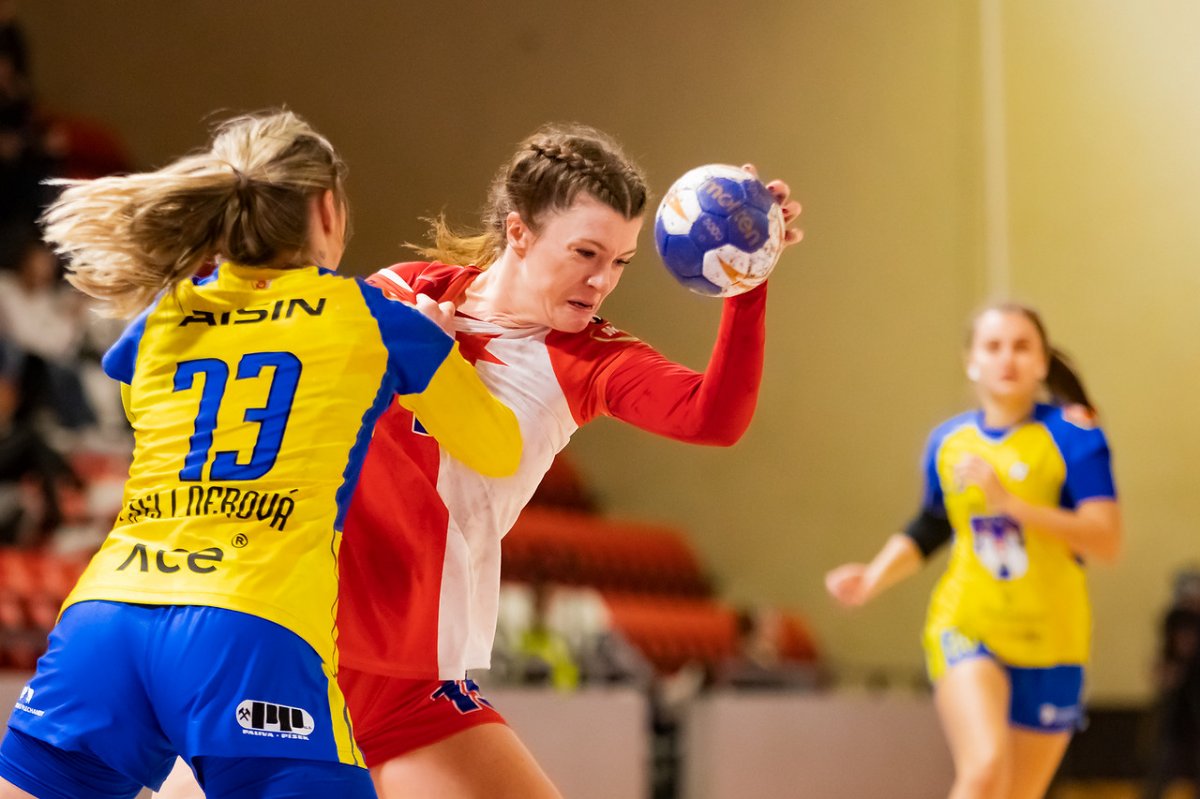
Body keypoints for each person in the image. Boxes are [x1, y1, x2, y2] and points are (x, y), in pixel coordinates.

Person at [156, 122, 802, 799]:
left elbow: (713, 418)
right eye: (585, 252)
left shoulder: (592, 360)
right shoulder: (407, 288)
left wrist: (745, 279)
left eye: (620, 262)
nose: (602, 280)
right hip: (290, 646)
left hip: (411, 679)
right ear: (518, 232)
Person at [0, 109, 521, 799]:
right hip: (249, 629)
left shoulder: (162, 318)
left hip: (106, 617)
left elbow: (145, 407)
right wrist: (441, 349)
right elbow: (497, 449)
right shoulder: (374, 319)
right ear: (326, 208)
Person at [825, 303, 1122, 799]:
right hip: (967, 625)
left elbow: (1105, 539)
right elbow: (933, 524)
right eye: (993, 346)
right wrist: (873, 576)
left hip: (1054, 639)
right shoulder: (950, 442)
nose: (1007, 358)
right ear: (971, 361)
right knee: (984, 768)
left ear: (1042, 362)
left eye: (1021, 346)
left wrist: (1012, 505)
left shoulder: (1075, 436)